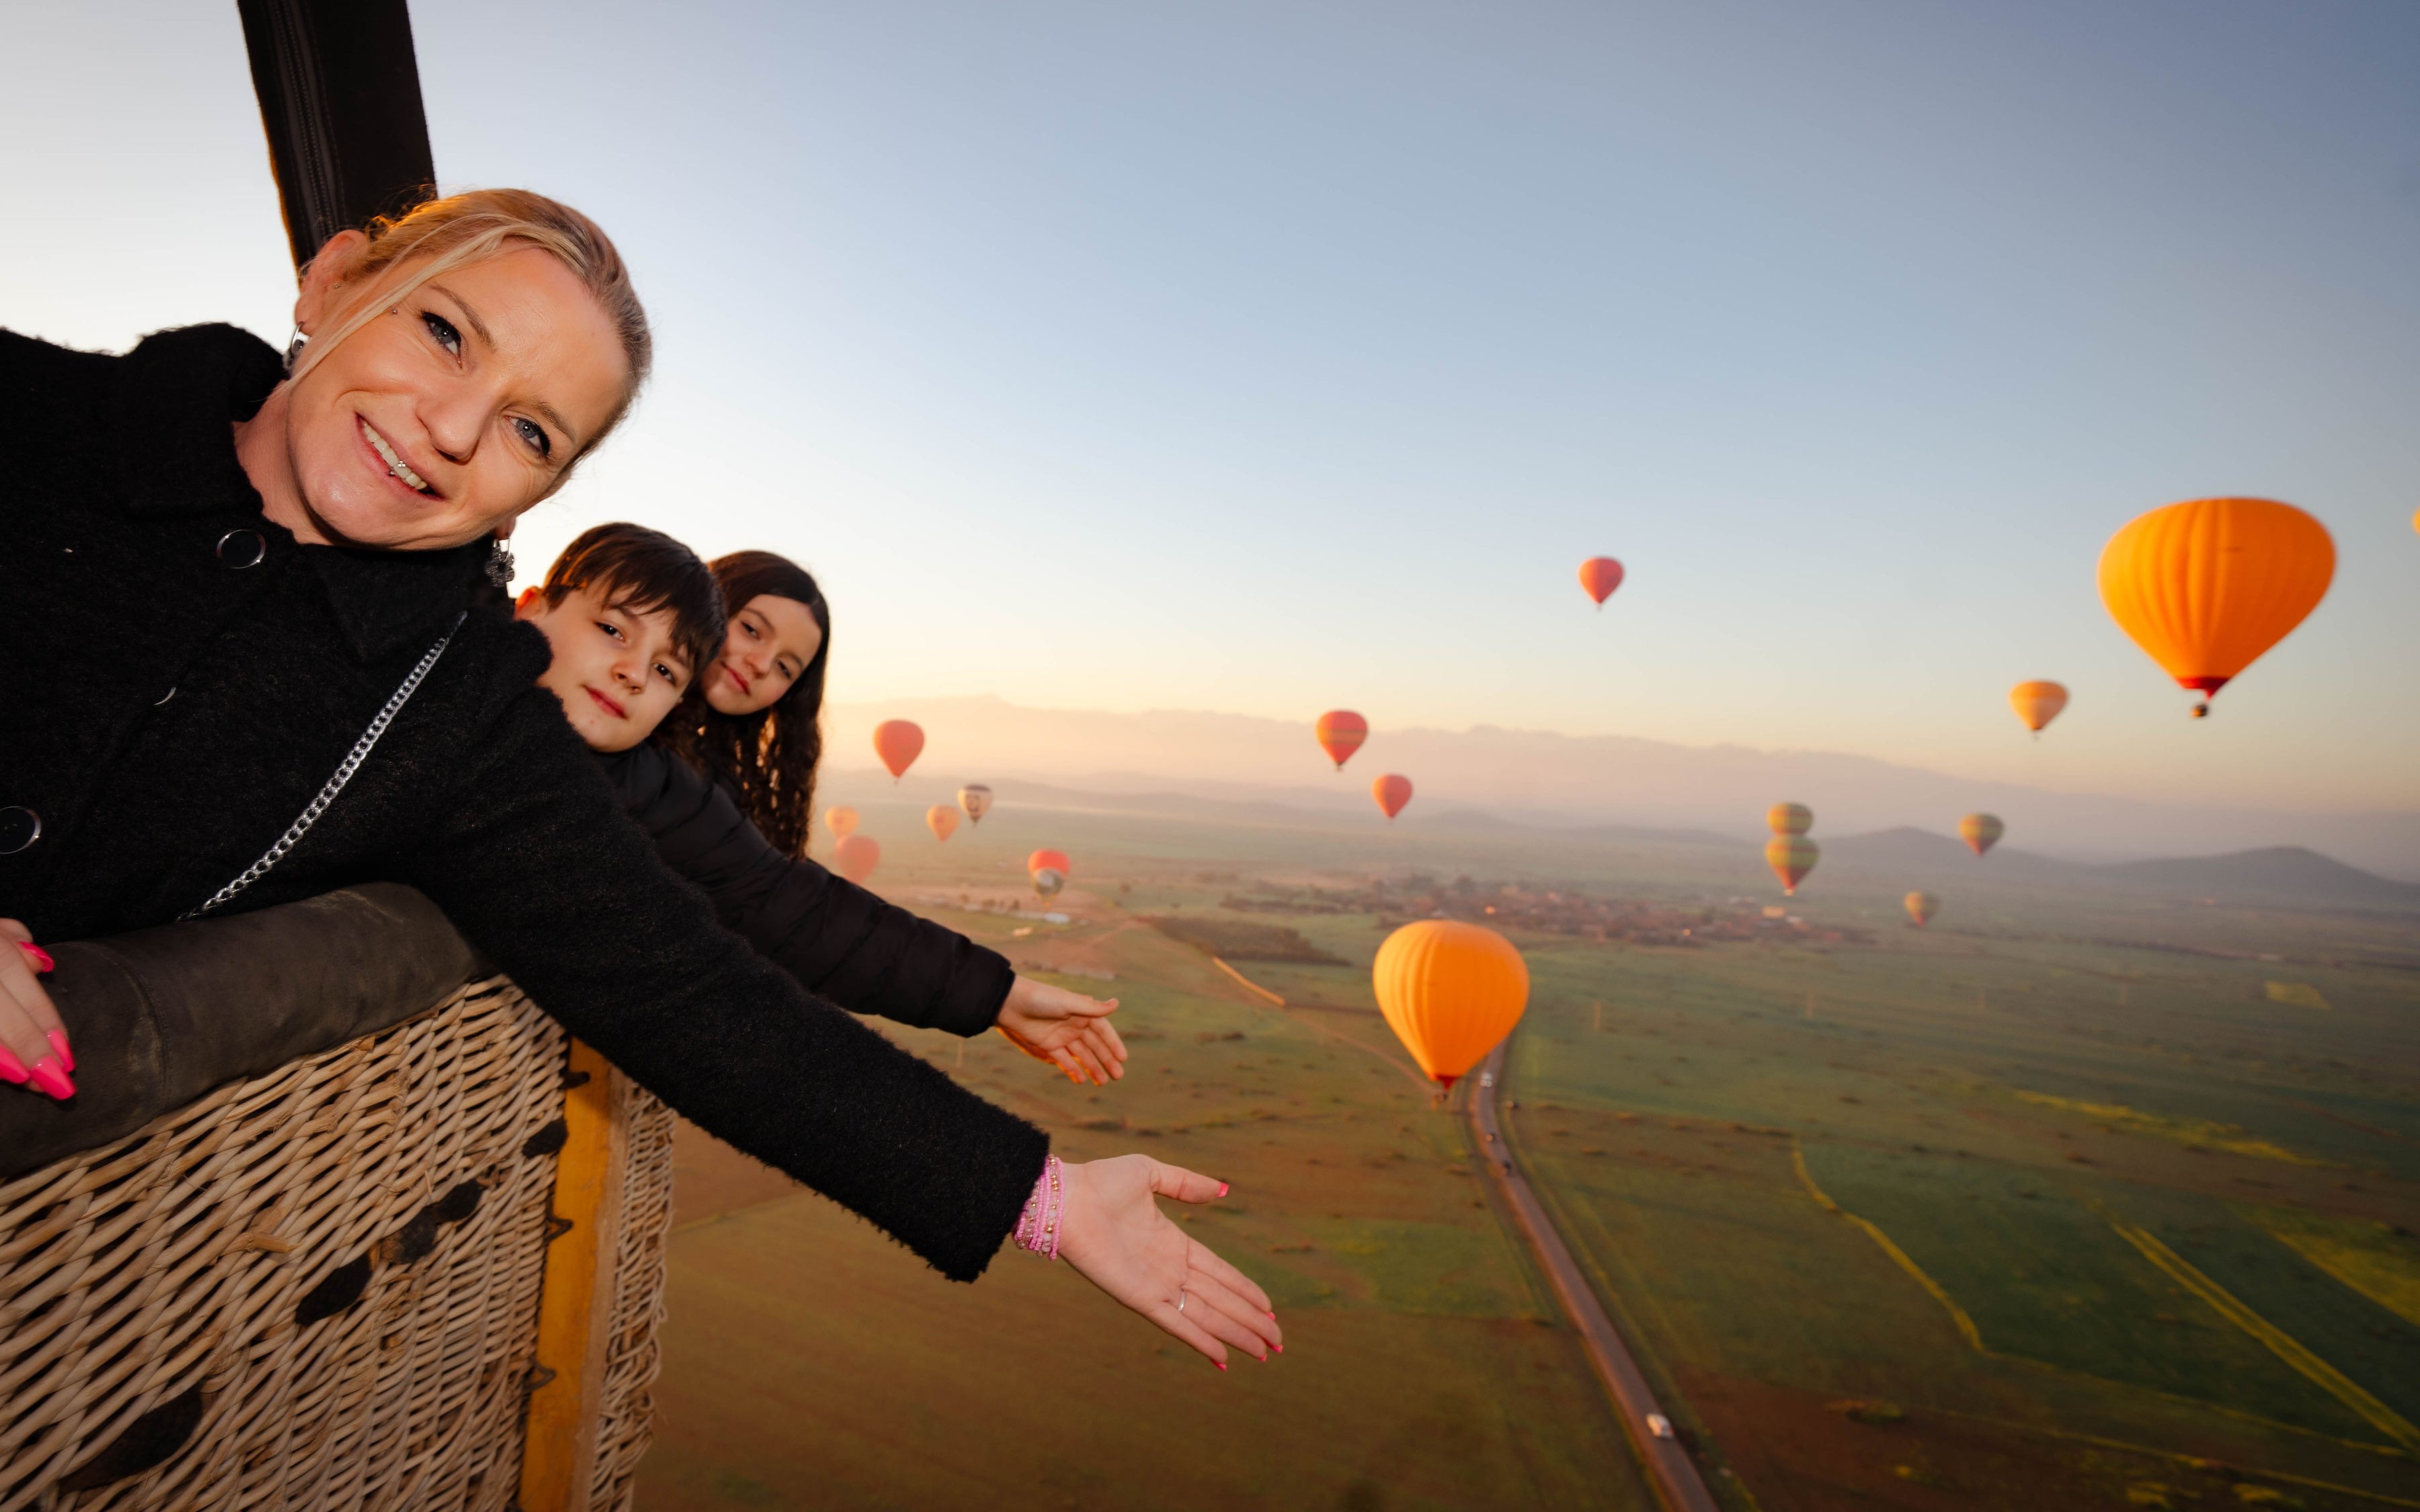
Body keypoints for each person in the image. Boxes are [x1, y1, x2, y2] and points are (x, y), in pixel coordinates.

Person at [0, 188, 1278, 1368]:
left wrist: (1036, 1195)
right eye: (447, 334)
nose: (450, 430)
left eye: (529, 430)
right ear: (333, 284)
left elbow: (686, 982)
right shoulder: (33, 416)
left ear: (539, 495)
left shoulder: (454, 710)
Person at [517, 523, 1124, 1083]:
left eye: (785, 667)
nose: (758, 665)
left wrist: (996, 995)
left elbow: (789, 906)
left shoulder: (685, 778)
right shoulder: (610, 729)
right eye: (751, 629)